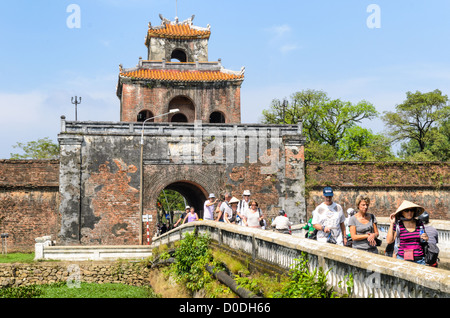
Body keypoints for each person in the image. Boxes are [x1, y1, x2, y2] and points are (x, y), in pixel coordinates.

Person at [386, 200, 429, 265]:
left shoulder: (419, 223)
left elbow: (424, 238)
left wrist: (426, 237)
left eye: (411, 210)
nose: (409, 212)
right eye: (406, 211)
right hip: (402, 259)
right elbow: (389, 241)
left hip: (419, 259)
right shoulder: (398, 225)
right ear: (402, 213)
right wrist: (392, 223)